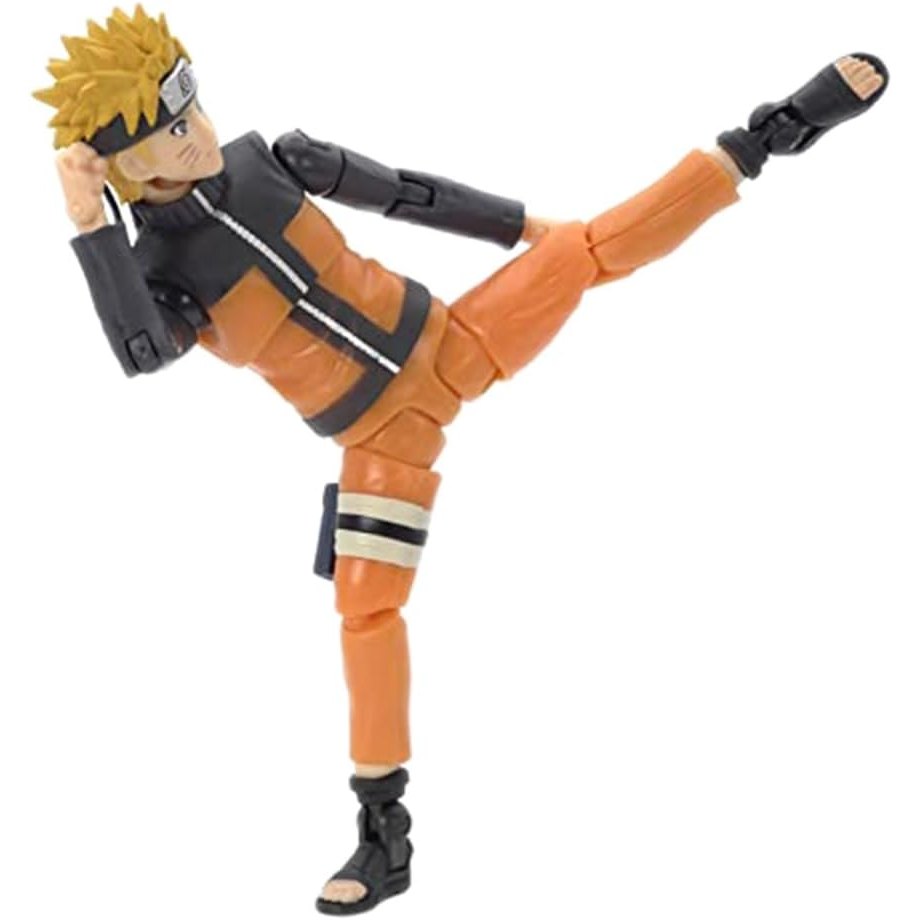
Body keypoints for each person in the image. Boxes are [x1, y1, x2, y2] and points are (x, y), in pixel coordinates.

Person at [35, 5, 888, 914]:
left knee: (585, 249)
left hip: (452, 342)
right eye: (172, 134)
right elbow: (143, 354)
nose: (199, 135)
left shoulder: (267, 162)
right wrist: (89, 225)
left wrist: (526, 230)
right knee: (366, 613)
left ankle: (766, 136)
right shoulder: (158, 273)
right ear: (124, 167)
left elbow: (408, 193)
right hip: (379, 439)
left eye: (194, 108)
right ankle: (385, 833)